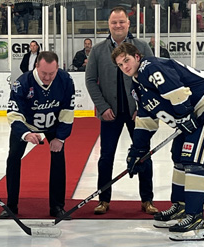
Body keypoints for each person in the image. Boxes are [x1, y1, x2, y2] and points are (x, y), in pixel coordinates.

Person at [111, 42, 204, 241]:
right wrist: (137, 151)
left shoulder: (151, 67)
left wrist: (183, 114)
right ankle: (181, 207)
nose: (125, 67)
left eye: (127, 60)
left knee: (194, 160)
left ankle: (195, 218)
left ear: (137, 57)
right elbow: (146, 120)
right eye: (120, 65)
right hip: (190, 114)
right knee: (179, 157)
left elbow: (176, 90)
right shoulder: (137, 86)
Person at [85, 6, 158, 216]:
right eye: (114, 22)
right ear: (109, 25)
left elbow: (150, 79)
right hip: (110, 114)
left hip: (138, 113)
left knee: (144, 155)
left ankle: (147, 200)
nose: (118, 26)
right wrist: (102, 106)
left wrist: (143, 108)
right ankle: (103, 200)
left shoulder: (142, 46)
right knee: (106, 156)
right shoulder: (98, 50)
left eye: (121, 22)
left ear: (128, 24)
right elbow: (90, 80)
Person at [0, 51, 75, 219]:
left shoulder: (66, 80)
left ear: (58, 69)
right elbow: (13, 114)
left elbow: (67, 112)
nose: (47, 77)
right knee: (13, 158)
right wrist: (25, 133)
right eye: (44, 73)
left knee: (58, 159)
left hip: (53, 125)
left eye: (51, 73)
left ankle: (57, 206)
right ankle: (11, 206)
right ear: (36, 67)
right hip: (27, 124)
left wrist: (60, 138)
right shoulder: (22, 83)